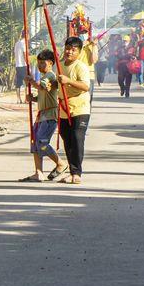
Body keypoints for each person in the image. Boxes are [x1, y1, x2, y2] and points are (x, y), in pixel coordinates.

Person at [18, 49, 68, 183]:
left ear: (51, 63)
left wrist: (31, 81)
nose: (40, 66)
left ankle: (60, 163)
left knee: (42, 142)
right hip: (41, 115)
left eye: (43, 63)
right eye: (38, 63)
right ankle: (38, 172)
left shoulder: (50, 76)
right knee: (35, 143)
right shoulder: (43, 77)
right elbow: (43, 95)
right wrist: (32, 98)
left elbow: (42, 87)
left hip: (50, 115)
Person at [56, 37, 91, 185]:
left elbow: (85, 86)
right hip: (64, 109)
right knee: (67, 139)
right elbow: (54, 84)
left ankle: (77, 173)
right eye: (68, 48)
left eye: (73, 49)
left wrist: (68, 81)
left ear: (79, 51)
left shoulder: (80, 66)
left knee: (77, 139)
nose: (69, 51)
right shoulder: (59, 66)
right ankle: (71, 171)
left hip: (79, 108)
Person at [80, 34, 99, 103]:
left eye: (84, 32)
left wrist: (93, 46)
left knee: (88, 97)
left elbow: (94, 60)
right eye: (81, 32)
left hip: (89, 75)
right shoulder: (75, 46)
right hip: (77, 74)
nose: (82, 34)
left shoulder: (92, 46)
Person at [14, 35, 28, 103]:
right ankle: (26, 99)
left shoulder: (17, 43)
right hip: (23, 65)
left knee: (18, 83)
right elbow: (25, 54)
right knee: (27, 82)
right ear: (27, 35)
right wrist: (28, 64)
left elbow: (15, 54)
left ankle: (18, 99)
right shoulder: (23, 43)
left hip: (17, 65)